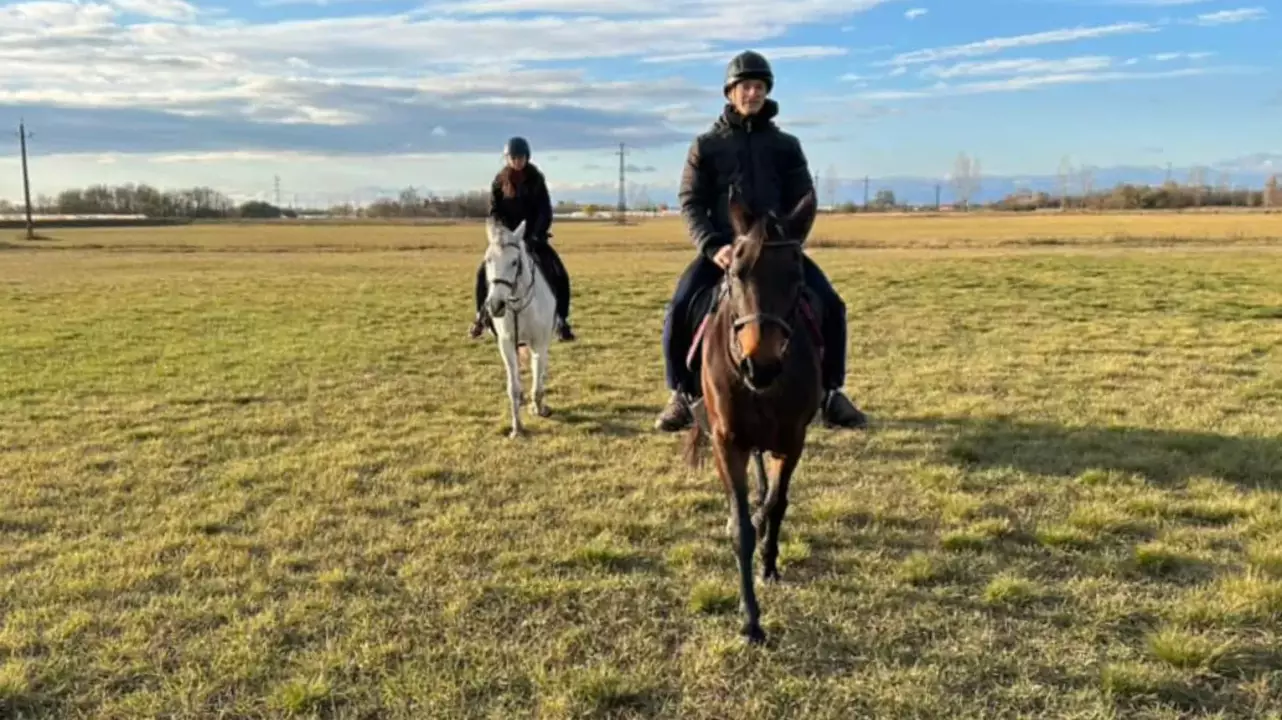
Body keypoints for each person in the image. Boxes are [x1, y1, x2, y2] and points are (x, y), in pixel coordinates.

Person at [653, 50, 868, 432]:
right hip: (724, 252)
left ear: (766, 92)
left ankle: (832, 392)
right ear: (730, 92)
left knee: (832, 306)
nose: (752, 93)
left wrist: (788, 244)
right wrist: (712, 245)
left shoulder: (787, 145)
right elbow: (691, 202)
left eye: (758, 87)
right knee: (679, 306)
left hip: (775, 254)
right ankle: (682, 395)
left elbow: (804, 198)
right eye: (745, 87)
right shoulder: (705, 145)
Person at [468, 136, 575, 342]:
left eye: (521, 157)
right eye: (514, 158)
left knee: (559, 271)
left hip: (533, 237)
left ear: (527, 157)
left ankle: (562, 319)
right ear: (507, 159)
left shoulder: (536, 179)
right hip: (507, 241)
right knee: (483, 272)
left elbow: (545, 210)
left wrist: (536, 234)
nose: (518, 161)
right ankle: (481, 316)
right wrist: (501, 233)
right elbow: (494, 212)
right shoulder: (499, 181)